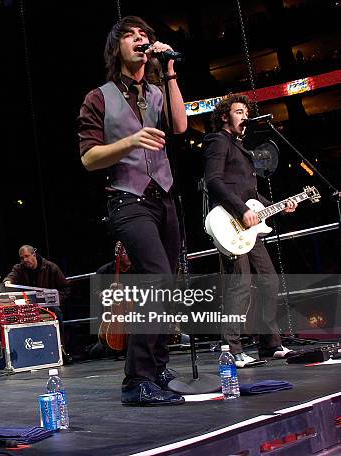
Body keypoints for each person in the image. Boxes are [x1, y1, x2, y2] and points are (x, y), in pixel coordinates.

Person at [78, 16, 187, 406]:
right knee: (155, 278)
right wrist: (130, 141)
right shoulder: (99, 97)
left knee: (167, 283)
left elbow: (179, 125)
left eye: (145, 36)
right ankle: (136, 380)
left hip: (164, 196)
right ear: (116, 48)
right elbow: (90, 158)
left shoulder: (158, 91)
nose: (140, 41)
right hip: (127, 198)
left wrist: (170, 72)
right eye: (131, 36)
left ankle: (157, 367)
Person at [203, 94, 296, 368]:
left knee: (268, 280)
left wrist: (278, 206)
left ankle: (270, 344)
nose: (245, 116)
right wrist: (241, 210)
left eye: (246, 112)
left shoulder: (241, 147)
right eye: (239, 111)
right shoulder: (218, 141)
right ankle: (231, 348)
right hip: (229, 222)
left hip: (249, 227)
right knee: (239, 285)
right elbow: (214, 181)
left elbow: (251, 194)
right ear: (224, 116)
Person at [2, 245, 71, 360]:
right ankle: (25, 356)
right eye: (22, 258)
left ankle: (61, 349)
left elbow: (65, 289)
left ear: (34, 254)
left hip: (48, 307)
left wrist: (54, 300)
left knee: (56, 313)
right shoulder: (19, 268)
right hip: (29, 306)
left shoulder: (51, 267)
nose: (24, 260)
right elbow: (10, 278)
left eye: (27, 256)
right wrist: (7, 281)